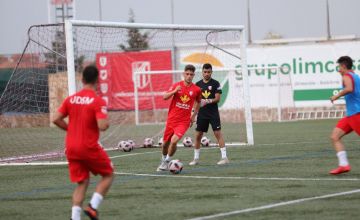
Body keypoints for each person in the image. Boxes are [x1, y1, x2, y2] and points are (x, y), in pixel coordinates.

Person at [53, 66, 114, 220]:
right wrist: (106, 122)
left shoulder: (71, 99)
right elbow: (102, 126)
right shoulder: (97, 100)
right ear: (97, 81)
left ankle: (75, 218)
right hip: (87, 146)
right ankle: (93, 207)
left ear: (82, 79)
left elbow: (56, 118)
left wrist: (70, 130)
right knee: (108, 174)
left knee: (82, 182)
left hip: (71, 147)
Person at [157, 64, 202, 171]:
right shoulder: (177, 85)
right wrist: (174, 91)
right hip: (171, 120)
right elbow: (164, 97)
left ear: (194, 75)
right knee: (164, 144)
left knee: (174, 141)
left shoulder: (196, 89)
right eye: (187, 74)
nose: (189, 76)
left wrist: (193, 116)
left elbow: (198, 103)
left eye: (191, 74)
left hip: (184, 121)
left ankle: (167, 161)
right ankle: (163, 159)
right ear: (184, 74)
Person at [189, 63, 229, 166]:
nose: (207, 74)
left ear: (211, 72)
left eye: (209, 72)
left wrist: (206, 101)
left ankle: (224, 157)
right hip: (202, 114)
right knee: (198, 135)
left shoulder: (216, 83)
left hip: (213, 113)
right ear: (202, 72)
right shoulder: (197, 84)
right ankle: (196, 159)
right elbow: (195, 102)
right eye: (205, 72)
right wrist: (193, 114)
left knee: (217, 134)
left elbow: (217, 99)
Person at [329, 56, 360, 175]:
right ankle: (343, 165)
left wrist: (336, 96)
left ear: (343, 66)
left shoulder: (347, 76)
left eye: (339, 67)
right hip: (351, 115)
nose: (338, 70)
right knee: (335, 137)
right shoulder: (355, 76)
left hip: (356, 114)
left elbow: (349, 89)